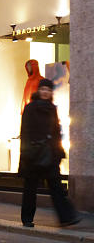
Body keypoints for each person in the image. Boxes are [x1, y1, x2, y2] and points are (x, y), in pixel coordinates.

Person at [18, 78, 79, 228]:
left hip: (49, 154)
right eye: (43, 89)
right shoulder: (30, 108)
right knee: (30, 188)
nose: (45, 92)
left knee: (56, 186)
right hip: (32, 154)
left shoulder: (52, 108)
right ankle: (27, 219)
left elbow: (56, 132)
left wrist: (59, 152)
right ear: (38, 91)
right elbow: (25, 131)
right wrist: (26, 152)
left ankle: (66, 217)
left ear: (51, 92)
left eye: (48, 90)